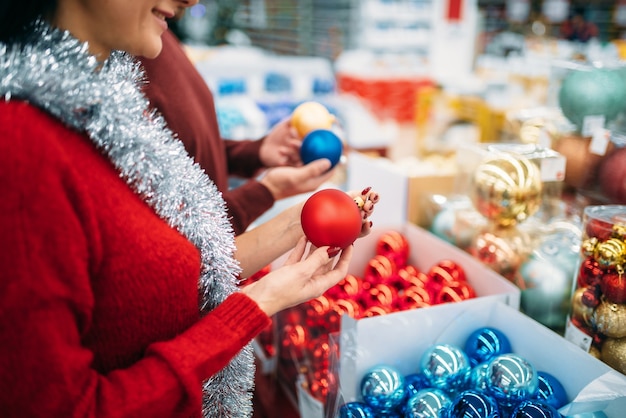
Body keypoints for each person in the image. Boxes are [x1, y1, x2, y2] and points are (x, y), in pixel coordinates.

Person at [0, 1, 378, 417]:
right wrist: (250, 307)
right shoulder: (24, 147)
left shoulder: (111, 106)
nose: (193, 1)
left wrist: (304, 217)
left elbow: (168, 273)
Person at [140, 25, 335, 235]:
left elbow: (189, 151)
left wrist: (255, 152)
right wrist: (265, 192)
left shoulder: (157, 32)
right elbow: (176, 237)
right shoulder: (120, 65)